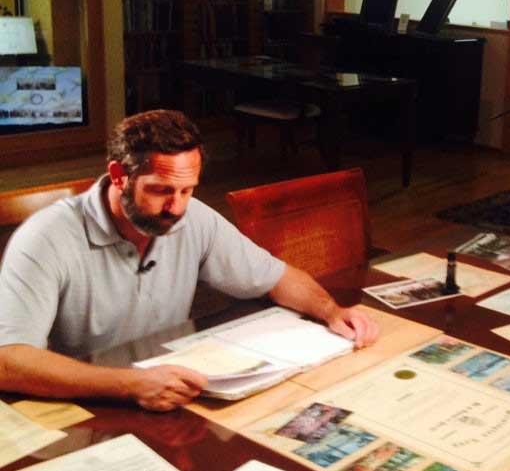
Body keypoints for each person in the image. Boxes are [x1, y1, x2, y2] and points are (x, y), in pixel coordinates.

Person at [0, 110, 379, 412]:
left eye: (187, 189)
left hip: (172, 391)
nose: (176, 207)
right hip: (86, 402)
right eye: (161, 191)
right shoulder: (46, 237)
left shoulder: (192, 216)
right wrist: (127, 386)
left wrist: (330, 310)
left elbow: (275, 277)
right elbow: (8, 361)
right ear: (118, 176)